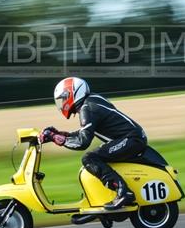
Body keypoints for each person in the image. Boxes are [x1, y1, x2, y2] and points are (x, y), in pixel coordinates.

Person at [38, 77, 148, 210]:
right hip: (131, 137)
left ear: (72, 94)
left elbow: (83, 142)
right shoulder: (90, 101)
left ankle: (123, 192)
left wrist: (56, 138)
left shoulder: (87, 108)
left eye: (63, 98)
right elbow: (84, 133)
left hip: (131, 139)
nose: (62, 103)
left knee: (89, 158)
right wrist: (60, 134)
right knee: (94, 156)